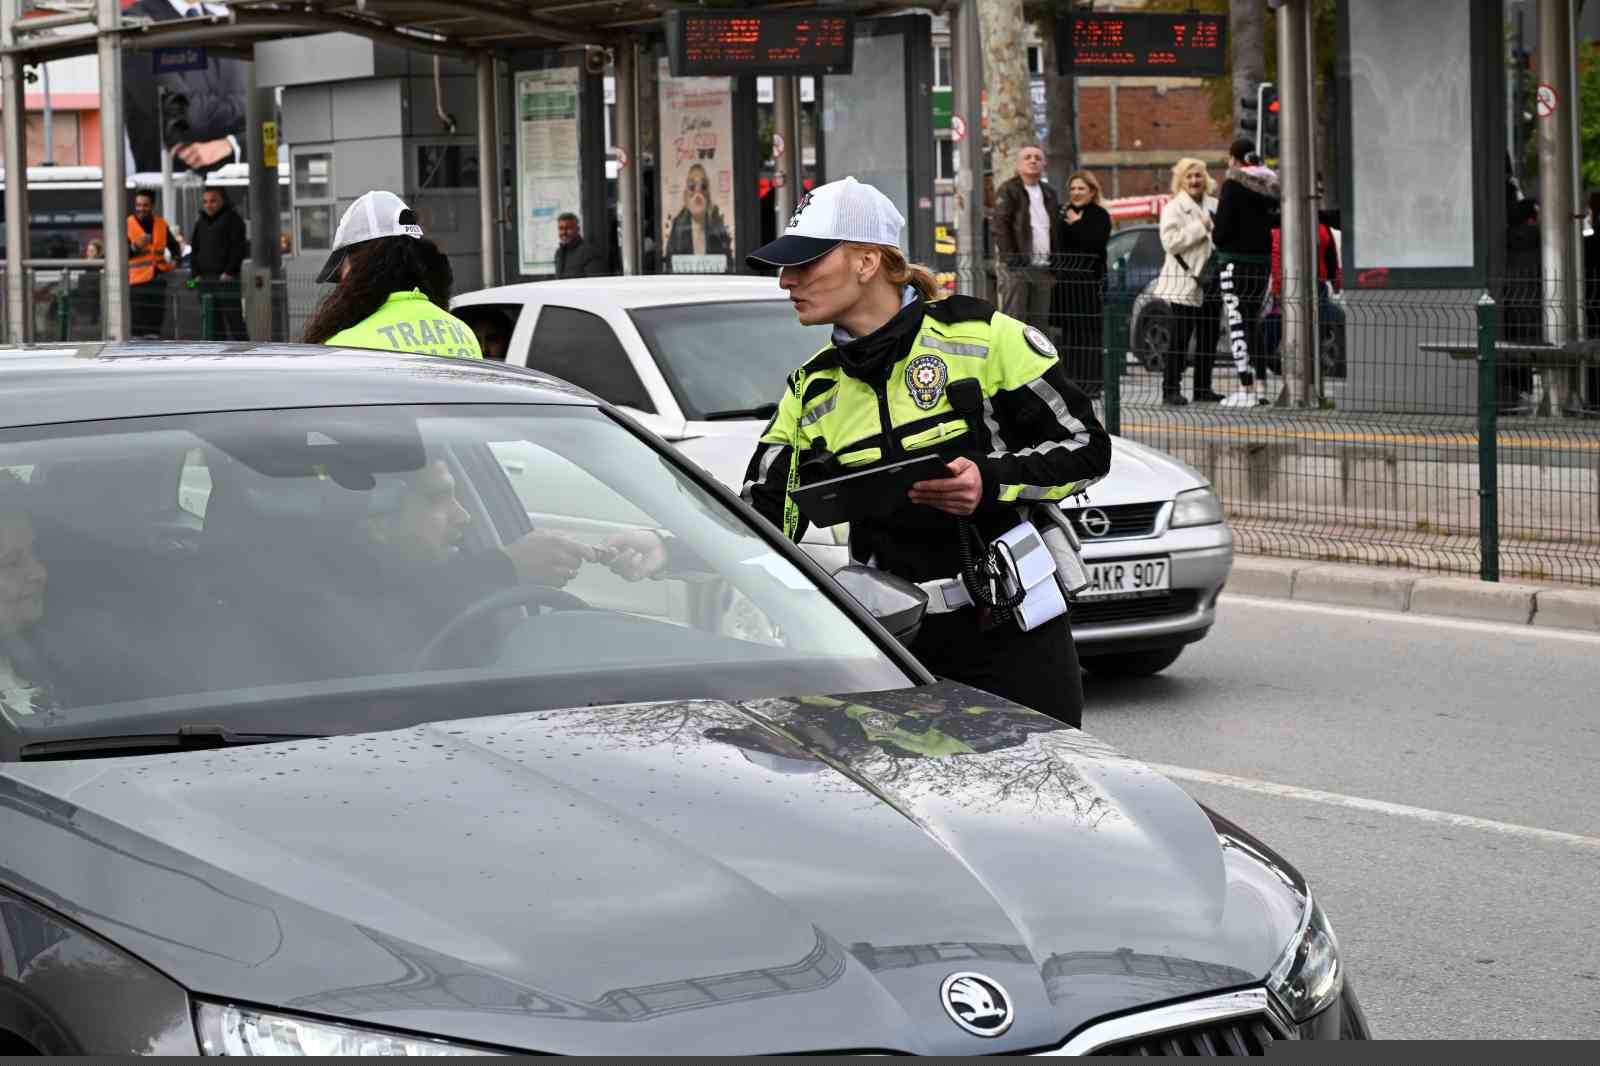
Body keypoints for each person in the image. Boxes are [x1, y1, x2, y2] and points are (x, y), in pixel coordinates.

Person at [739, 176, 1112, 728]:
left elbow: (1087, 449)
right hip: (894, 644)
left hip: (1014, 634)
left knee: (1039, 808)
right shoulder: (811, 388)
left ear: (866, 261)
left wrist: (989, 481)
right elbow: (762, 518)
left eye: (805, 264)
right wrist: (663, 548)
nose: (785, 282)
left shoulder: (984, 336)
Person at [302, 190, 482, 357]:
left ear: (358, 265)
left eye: (341, 274)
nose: (341, 284)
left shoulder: (344, 348)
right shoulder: (464, 335)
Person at [122, 1, 250, 175]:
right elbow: (182, 113)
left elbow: (273, 120)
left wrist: (230, 144)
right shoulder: (139, 22)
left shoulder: (227, 22)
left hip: (240, 194)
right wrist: (247, 107)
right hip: (171, 192)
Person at [1213, 137, 1281, 406]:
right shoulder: (1269, 184)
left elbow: (1222, 231)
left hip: (1233, 261)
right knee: (1254, 323)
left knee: (1237, 323)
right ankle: (1262, 386)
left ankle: (1247, 387)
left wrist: (1217, 232)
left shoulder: (1232, 184)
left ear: (1233, 158)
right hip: (1261, 263)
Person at [1156, 159, 1218, 405]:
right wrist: (1200, 227)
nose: (1194, 181)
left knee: (1209, 337)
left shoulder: (1215, 204)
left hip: (1212, 279)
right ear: (1180, 180)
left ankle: (1203, 388)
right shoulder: (1173, 208)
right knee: (1180, 338)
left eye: (1198, 176)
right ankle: (1170, 388)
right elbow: (1170, 242)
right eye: (1189, 176)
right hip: (1184, 281)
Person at [1054, 169, 1112, 395]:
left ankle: (1092, 383)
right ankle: (1071, 382)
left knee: (1089, 335)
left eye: (1081, 188)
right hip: (1067, 284)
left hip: (1090, 283)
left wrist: (1078, 224)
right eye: (1073, 189)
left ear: (1092, 191)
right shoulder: (1062, 213)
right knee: (1069, 336)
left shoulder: (1099, 215)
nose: (1076, 193)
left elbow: (1094, 244)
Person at [991, 145, 1060, 334]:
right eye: (1028, 157)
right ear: (1019, 164)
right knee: (1014, 321)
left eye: (1037, 157)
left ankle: (1036, 364)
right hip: (1018, 268)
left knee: (1039, 326)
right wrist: (1012, 259)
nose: (1033, 161)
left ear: (1044, 164)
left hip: (1044, 267)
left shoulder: (1050, 193)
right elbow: (1000, 226)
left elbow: (1056, 228)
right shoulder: (1008, 190)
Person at [190, 187, 250, 340]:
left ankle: (243, 354)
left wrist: (229, 272)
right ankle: (216, 355)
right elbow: (194, 249)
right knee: (212, 321)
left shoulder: (233, 220)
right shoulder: (200, 223)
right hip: (205, 281)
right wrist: (195, 275)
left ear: (222, 201)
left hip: (226, 281)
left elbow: (238, 248)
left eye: (213, 201)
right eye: (205, 202)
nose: (209, 205)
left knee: (234, 320)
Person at [1501, 198, 1542, 413]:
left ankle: (1520, 395)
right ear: (1531, 218)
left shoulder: (1503, 243)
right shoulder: (1543, 242)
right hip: (1540, 309)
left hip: (1512, 309)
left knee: (1516, 353)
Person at [127, 190, 179, 338]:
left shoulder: (161, 223)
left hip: (158, 280)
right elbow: (116, 253)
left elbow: (175, 247)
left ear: (152, 206)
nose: (141, 208)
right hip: (136, 283)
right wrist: (135, 247)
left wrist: (175, 261)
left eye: (145, 205)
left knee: (154, 326)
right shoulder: (127, 224)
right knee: (137, 327)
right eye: (138, 205)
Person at [665, 163, 732, 270]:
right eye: (692, 186)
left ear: (707, 193)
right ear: (686, 195)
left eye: (703, 186)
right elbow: (670, 264)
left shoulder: (717, 225)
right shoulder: (678, 226)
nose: (698, 193)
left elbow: (728, 264)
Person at [553, 212, 608, 278]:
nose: (564, 232)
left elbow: (595, 283)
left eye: (568, 228)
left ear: (577, 229)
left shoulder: (590, 252)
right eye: (561, 228)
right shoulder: (559, 253)